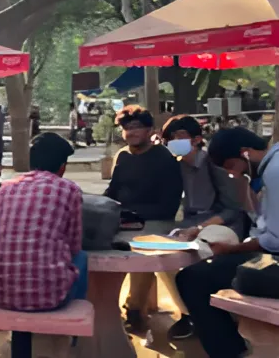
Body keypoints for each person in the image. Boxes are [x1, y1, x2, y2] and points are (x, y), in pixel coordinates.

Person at [175, 127, 277, 358]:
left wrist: (234, 249)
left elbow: (274, 241)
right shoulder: (266, 170)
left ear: (246, 154)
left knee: (192, 279)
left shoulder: (274, 171)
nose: (231, 175)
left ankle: (230, 353)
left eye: (231, 167)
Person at [159, 115, 244, 340]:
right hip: (188, 224)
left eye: (180, 137)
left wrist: (198, 227)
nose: (174, 142)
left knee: (199, 251)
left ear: (196, 140)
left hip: (223, 224)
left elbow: (231, 210)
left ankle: (216, 313)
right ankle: (189, 314)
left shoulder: (214, 164)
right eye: (170, 138)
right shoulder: (174, 166)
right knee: (162, 257)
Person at [104, 105, 184, 328]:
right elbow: (112, 191)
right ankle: (103, 307)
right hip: (124, 219)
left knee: (141, 249)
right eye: (127, 128)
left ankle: (134, 311)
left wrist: (132, 217)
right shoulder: (122, 156)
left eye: (137, 127)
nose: (131, 132)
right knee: (94, 239)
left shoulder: (164, 159)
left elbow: (168, 205)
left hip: (156, 220)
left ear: (150, 130)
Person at [0, 132, 87, 312]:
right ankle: (74, 335)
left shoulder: (5, 189)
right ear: (62, 167)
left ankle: (20, 338)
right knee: (82, 258)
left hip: (2, 294)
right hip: (51, 297)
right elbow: (74, 244)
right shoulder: (70, 189)